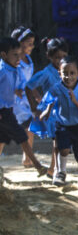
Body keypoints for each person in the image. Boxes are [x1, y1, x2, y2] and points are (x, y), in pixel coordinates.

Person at [39, 56, 78, 203]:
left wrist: (75, 101)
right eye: (65, 73)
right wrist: (47, 111)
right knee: (62, 148)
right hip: (63, 124)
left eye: (72, 73)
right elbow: (51, 98)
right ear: (59, 73)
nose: (68, 77)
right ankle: (61, 172)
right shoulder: (57, 87)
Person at [0, 37, 47, 176]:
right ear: (3, 55)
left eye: (19, 54)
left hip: (9, 109)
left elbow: (23, 83)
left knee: (2, 139)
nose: (18, 58)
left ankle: (31, 162)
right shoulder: (2, 70)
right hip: (3, 111)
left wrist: (20, 90)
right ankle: (37, 164)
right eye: (15, 54)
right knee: (22, 137)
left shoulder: (16, 69)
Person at [25, 37, 69, 178]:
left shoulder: (68, 70)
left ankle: (52, 169)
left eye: (64, 56)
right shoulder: (46, 73)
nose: (60, 60)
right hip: (51, 113)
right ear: (49, 57)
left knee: (60, 143)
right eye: (57, 57)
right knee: (58, 142)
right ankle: (55, 170)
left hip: (64, 112)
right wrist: (34, 107)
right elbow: (29, 86)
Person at [11, 26, 36, 167]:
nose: (32, 45)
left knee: (30, 127)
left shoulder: (28, 60)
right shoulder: (10, 61)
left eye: (32, 42)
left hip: (23, 101)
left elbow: (29, 82)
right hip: (10, 101)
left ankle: (27, 158)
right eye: (29, 43)